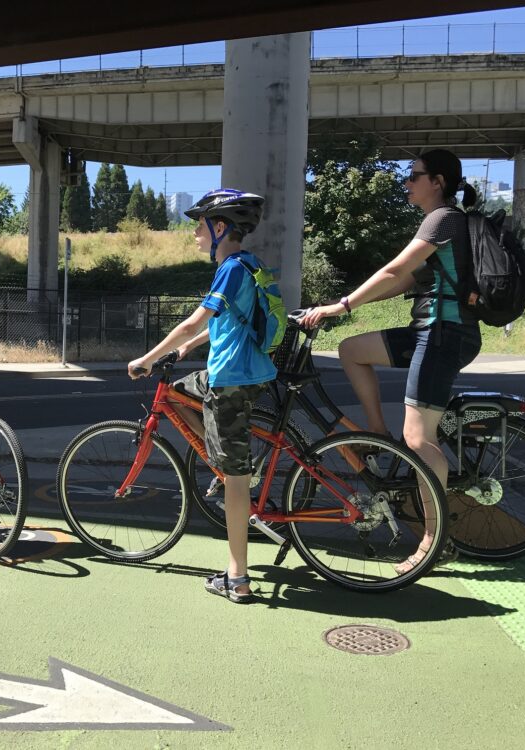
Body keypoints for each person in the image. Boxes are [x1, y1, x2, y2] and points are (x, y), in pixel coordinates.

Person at [302, 149, 481, 574]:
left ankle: (436, 542)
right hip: (427, 331)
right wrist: (340, 309)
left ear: (437, 181)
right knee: (352, 351)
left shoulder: (444, 219)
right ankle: (379, 435)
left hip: (445, 334)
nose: (406, 182)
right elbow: (401, 281)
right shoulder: (437, 223)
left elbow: (392, 269)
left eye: (413, 176)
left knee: (419, 439)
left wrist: (341, 306)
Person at [127, 189, 276, 604]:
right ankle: (224, 461)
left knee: (235, 480)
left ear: (220, 227)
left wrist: (147, 357)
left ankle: (238, 578)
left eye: (199, 226)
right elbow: (229, 322)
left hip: (230, 379)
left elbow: (195, 321)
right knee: (176, 392)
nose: (195, 234)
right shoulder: (250, 265)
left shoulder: (230, 267)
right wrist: (186, 351)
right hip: (245, 371)